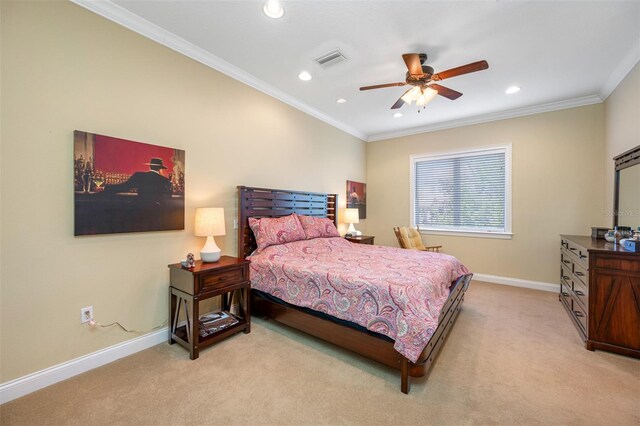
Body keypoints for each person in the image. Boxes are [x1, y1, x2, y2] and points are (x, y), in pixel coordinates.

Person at [103, 157, 172, 203]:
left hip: (140, 209)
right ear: (160, 168)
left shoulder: (139, 175)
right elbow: (167, 199)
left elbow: (124, 187)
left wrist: (105, 187)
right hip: (156, 213)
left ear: (150, 166)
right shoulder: (165, 180)